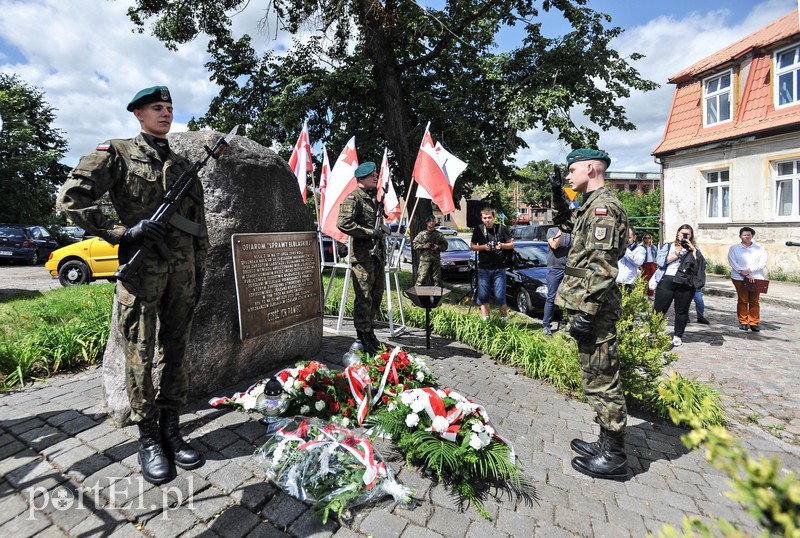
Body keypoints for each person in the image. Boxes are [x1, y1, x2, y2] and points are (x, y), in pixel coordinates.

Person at [58, 86, 209, 485]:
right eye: (157, 108)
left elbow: (199, 226)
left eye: (170, 108)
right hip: (141, 272)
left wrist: (201, 270)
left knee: (176, 348)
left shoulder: (182, 163)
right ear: (138, 114)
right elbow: (72, 198)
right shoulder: (118, 153)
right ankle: (149, 438)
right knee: (140, 352)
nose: (166, 113)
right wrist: (123, 232)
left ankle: (172, 429)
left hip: (182, 273)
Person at [551, 148, 629, 480]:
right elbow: (566, 222)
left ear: (590, 168)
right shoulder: (589, 207)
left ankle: (614, 455)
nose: (569, 176)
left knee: (602, 378)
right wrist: (558, 193)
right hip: (589, 305)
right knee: (594, 375)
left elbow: (603, 268)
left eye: (571, 171)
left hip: (595, 308)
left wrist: (587, 311)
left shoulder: (603, 209)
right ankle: (604, 441)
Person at [338, 161, 387, 354]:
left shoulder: (372, 198)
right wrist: (369, 232)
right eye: (372, 175)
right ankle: (362, 336)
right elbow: (343, 223)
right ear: (362, 178)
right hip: (362, 258)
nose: (375, 177)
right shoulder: (354, 198)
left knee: (376, 296)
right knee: (363, 297)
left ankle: (370, 331)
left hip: (376, 256)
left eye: (375, 174)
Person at [653, 225, 703, 347]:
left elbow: (699, 266)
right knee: (659, 309)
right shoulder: (668, 246)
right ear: (677, 234)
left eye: (688, 234)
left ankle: (677, 336)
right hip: (668, 279)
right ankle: (652, 331)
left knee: (681, 311)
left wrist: (693, 251)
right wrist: (675, 255)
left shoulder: (695, 248)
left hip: (685, 282)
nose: (684, 236)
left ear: (691, 236)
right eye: (682, 233)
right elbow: (659, 262)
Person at [470, 206, 514, 321]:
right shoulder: (478, 229)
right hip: (484, 268)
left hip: (499, 268)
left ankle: (504, 321)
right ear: (481, 218)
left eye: (489, 218)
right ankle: (486, 321)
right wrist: (483, 247)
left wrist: (502, 246)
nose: (487, 220)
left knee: (500, 297)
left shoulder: (501, 228)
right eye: (485, 218)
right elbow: (472, 246)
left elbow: (511, 245)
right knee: (483, 297)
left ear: (494, 218)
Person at [728, 226, 768, 331]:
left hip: (756, 277)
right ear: (740, 236)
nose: (746, 237)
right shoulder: (734, 248)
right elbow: (732, 262)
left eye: (748, 235)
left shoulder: (759, 248)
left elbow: (763, 262)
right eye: (744, 235)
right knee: (743, 299)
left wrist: (749, 271)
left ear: (752, 236)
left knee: (754, 300)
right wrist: (744, 273)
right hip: (739, 277)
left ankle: (754, 322)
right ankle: (743, 321)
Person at [542, 225, 573, 335]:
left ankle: (565, 322)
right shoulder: (552, 230)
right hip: (554, 269)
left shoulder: (572, 232)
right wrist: (561, 230)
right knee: (552, 297)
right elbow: (554, 245)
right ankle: (546, 325)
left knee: (568, 298)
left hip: (568, 269)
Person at [412, 214, 448, 287]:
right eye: (430, 221)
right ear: (427, 223)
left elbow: (445, 246)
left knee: (437, 280)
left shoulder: (439, 234)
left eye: (433, 221)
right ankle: (417, 296)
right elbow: (414, 244)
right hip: (425, 260)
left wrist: (438, 246)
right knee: (421, 279)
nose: (432, 223)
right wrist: (423, 246)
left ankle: (436, 297)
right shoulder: (422, 234)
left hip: (435, 260)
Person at [616, 225, 646, 292]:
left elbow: (639, 262)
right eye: (624, 237)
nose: (626, 240)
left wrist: (625, 249)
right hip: (615, 283)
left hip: (629, 284)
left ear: (634, 238)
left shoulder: (640, 249)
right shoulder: (617, 248)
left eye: (629, 237)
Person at [639, 233, 658, 299]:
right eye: (645, 238)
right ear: (643, 239)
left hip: (653, 264)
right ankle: (645, 294)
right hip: (645, 264)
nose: (647, 239)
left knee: (652, 279)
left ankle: (651, 294)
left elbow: (656, 256)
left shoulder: (654, 247)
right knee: (645, 279)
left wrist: (657, 264)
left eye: (649, 238)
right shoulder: (641, 247)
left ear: (651, 239)